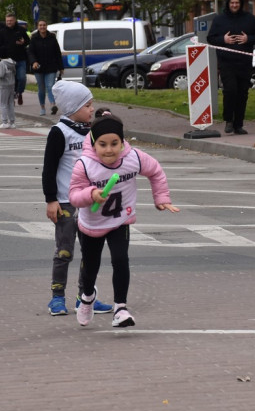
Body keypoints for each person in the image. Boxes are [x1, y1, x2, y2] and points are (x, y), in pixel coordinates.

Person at [69, 114, 179, 328]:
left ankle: (120, 308)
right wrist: (91, 194)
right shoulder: (85, 165)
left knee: (120, 259)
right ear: (93, 143)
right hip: (92, 224)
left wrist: (162, 198)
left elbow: (155, 171)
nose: (109, 150)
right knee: (90, 267)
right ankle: (87, 297)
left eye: (114, 144)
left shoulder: (133, 158)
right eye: (102, 144)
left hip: (121, 219)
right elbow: (74, 194)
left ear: (122, 142)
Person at [42, 81, 113, 317]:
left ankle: (85, 297)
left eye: (92, 104)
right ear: (72, 108)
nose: (91, 109)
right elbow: (49, 169)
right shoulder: (60, 133)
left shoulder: (91, 131)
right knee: (64, 251)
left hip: (90, 202)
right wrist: (51, 200)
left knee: (90, 252)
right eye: (87, 105)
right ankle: (57, 297)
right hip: (65, 202)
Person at [207, 0, 255, 135]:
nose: (234, 5)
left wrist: (247, 38)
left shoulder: (249, 19)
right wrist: (223, 40)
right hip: (227, 63)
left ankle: (239, 124)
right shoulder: (220, 20)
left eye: (237, 3)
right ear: (228, 4)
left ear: (241, 4)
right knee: (230, 91)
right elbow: (210, 38)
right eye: (232, 3)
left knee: (242, 93)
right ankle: (228, 121)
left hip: (244, 63)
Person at [28, 19, 64, 116]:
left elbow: (57, 53)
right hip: (38, 67)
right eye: (40, 25)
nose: (42, 27)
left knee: (50, 86)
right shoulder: (34, 38)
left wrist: (61, 67)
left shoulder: (52, 37)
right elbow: (30, 52)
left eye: (44, 25)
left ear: (46, 26)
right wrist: (33, 62)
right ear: (37, 27)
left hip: (51, 66)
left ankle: (53, 105)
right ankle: (42, 107)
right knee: (41, 88)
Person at [0, 13, 29, 106]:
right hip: (8, 61)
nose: (9, 22)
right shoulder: (2, 32)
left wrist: (23, 42)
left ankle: (19, 92)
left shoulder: (21, 30)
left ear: (15, 20)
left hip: (21, 59)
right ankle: (12, 97)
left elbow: (28, 41)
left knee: (21, 78)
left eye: (10, 20)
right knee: (10, 81)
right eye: (7, 21)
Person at [0, 57, 16, 128]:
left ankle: (4, 122)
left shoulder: (2, 63)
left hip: (4, 85)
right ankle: (12, 122)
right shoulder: (12, 62)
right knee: (10, 103)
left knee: (3, 103)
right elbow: (15, 72)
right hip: (12, 83)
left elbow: (1, 74)